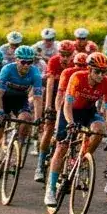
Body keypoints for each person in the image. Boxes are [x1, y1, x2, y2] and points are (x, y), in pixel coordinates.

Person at [45, 52, 107, 206]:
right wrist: (70, 122)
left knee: (100, 128)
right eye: (97, 71)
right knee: (62, 146)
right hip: (70, 111)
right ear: (89, 69)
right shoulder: (77, 77)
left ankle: (83, 158)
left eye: (104, 72)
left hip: (88, 112)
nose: (101, 75)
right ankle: (50, 189)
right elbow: (67, 104)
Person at [0, 46, 44, 187]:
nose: (26, 65)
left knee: (27, 119)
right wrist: (0, 112)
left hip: (20, 101)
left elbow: (38, 98)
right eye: (23, 62)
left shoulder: (35, 73)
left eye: (30, 62)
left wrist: (39, 118)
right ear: (16, 60)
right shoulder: (7, 69)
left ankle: (16, 149)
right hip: (4, 100)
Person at [35, 40, 77, 172]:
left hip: (69, 95)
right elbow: (50, 84)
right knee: (48, 129)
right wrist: (48, 106)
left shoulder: (75, 62)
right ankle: (40, 165)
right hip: (53, 93)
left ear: (72, 54)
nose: (65, 58)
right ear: (58, 53)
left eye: (68, 54)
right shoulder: (53, 61)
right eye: (62, 54)